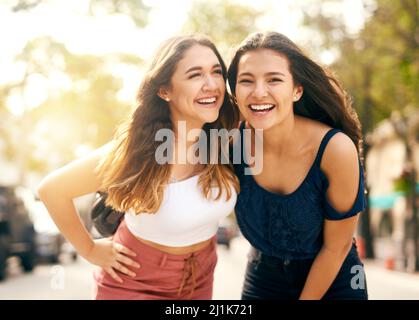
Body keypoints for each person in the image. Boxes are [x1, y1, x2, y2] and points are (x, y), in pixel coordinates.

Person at [37, 34, 239, 300]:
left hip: (200, 275)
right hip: (136, 279)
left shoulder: (225, 140)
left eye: (216, 72)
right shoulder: (136, 152)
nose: (211, 84)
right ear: (164, 90)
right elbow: (52, 190)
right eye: (195, 75)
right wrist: (89, 249)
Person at [227, 31, 368, 300]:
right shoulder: (230, 145)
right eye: (246, 81)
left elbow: (335, 249)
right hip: (263, 275)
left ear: (297, 90)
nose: (259, 92)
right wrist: (118, 240)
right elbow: (164, 179)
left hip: (336, 277)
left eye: (274, 80)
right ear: (235, 92)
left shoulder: (334, 150)